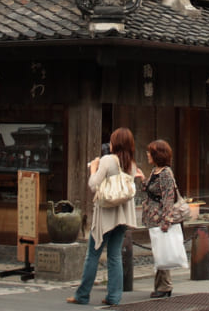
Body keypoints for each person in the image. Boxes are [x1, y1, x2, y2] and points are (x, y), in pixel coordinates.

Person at [68, 127, 143, 305]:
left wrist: (94, 168)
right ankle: (114, 297)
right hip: (122, 216)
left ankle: (82, 295)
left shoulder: (108, 160)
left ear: (115, 143)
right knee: (114, 256)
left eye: (111, 140)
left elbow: (94, 184)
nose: (109, 144)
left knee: (93, 255)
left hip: (106, 215)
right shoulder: (132, 164)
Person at [141, 139, 184, 299]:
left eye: (150, 152)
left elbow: (168, 198)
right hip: (154, 218)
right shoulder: (155, 171)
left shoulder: (165, 173)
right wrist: (142, 178)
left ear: (157, 155)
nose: (147, 154)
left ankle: (164, 286)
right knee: (159, 251)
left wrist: (166, 221)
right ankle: (162, 286)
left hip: (160, 219)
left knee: (162, 252)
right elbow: (149, 189)